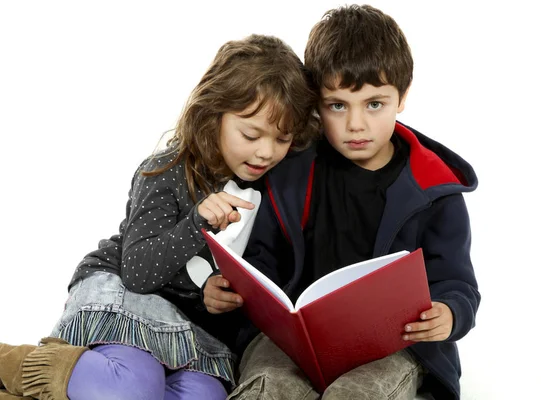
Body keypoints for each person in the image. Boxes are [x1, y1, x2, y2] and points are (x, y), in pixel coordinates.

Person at [0, 34, 319, 400]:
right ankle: (14, 363)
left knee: (205, 397)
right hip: (127, 298)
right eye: (251, 134)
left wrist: (210, 297)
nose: (266, 152)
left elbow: (216, 275)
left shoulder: (269, 189)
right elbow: (138, 271)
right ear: (213, 114)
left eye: (282, 139)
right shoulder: (165, 171)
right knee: (131, 387)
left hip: (188, 332)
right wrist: (196, 221)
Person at [203, 5, 480, 400]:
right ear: (316, 103)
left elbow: (456, 279)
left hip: (392, 346)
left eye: (374, 104)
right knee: (268, 385)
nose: (356, 125)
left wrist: (449, 313)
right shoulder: (290, 172)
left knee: (358, 393)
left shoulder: (434, 188)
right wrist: (229, 290)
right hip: (292, 344)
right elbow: (262, 263)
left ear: (402, 97)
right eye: (337, 105)